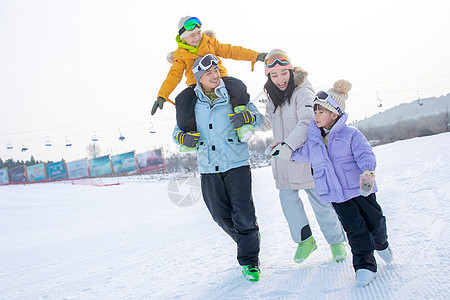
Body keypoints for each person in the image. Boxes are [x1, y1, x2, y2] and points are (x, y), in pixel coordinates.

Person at [289, 79, 394, 286]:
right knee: (355, 229)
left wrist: (367, 172)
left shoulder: (351, 134)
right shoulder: (314, 140)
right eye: (315, 112)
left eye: (321, 112)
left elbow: (365, 154)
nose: (316, 116)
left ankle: (382, 244)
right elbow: (303, 154)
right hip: (337, 195)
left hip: (359, 189)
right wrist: (286, 152)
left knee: (375, 223)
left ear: (334, 114)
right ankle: (365, 265)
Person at [172, 54, 265, 281]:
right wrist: (183, 139)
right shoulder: (190, 103)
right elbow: (176, 134)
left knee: (243, 215)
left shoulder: (234, 95)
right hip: (208, 168)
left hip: (237, 164)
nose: (214, 75)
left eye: (215, 71)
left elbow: (260, 119)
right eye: (207, 73)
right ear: (198, 79)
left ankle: (250, 262)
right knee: (220, 216)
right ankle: (250, 239)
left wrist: (246, 116)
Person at [260, 49, 347, 264]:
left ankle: (336, 243)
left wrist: (288, 146)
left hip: (306, 157)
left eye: (283, 73)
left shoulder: (303, 92)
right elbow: (268, 123)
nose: (280, 79)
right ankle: (305, 240)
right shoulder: (272, 99)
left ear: (291, 71)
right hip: (284, 160)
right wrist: (247, 118)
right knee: (288, 201)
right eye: (274, 75)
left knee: (321, 202)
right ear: (269, 77)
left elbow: (307, 121)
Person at [155, 16, 267, 148]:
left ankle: (242, 124)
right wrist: (162, 95)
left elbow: (232, 51)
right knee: (182, 100)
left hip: (221, 78)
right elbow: (173, 76)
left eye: (198, 33)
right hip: (195, 86)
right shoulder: (180, 55)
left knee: (237, 85)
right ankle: (189, 136)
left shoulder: (209, 43)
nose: (197, 37)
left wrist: (255, 56)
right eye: (192, 35)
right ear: (183, 38)